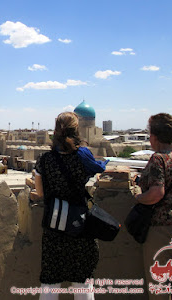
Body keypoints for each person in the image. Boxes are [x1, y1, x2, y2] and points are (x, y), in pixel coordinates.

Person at [31, 112, 108, 300]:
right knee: (82, 284)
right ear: (77, 131)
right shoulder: (83, 157)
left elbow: (40, 193)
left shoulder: (45, 160)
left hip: (55, 226)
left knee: (50, 283)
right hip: (79, 225)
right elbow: (95, 170)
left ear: (55, 130)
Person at [135, 113, 172, 299]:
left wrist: (138, 197)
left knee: (158, 286)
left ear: (154, 136)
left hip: (160, 229)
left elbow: (156, 194)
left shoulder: (158, 159)